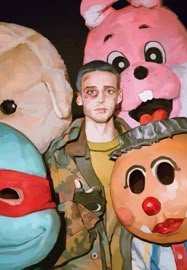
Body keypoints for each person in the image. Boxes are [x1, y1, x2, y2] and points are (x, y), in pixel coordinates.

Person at [44, 60, 130, 270]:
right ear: (79, 98)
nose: (100, 98)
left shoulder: (139, 150)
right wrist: (82, 213)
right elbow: (44, 242)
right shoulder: (58, 156)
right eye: (91, 92)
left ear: (119, 96)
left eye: (108, 91)